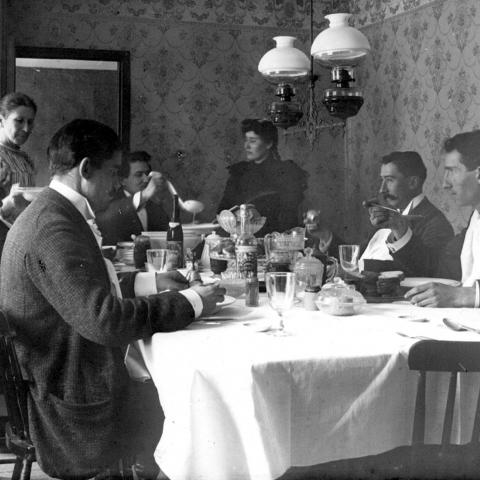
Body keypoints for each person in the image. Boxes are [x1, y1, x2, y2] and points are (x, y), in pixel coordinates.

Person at [0, 119, 224, 479]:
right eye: (114, 172)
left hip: (65, 374)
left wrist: (148, 281)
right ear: (86, 168)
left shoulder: (53, 211)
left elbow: (79, 284)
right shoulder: (52, 227)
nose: (119, 183)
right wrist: (191, 301)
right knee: (197, 401)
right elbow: (106, 321)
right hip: (71, 402)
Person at [405, 130, 480, 307]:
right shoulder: (475, 220)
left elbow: (461, 293)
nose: (445, 184)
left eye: (452, 171)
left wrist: (461, 296)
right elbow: (438, 266)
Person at [359, 151, 454, 276]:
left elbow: (430, 270)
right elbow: (357, 257)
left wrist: (362, 266)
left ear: (413, 183)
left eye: (389, 180)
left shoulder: (435, 222)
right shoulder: (387, 215)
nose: (382, 190)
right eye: (382, 180)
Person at [217, 118, 307, 235]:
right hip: (238, 239)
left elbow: (288, 216)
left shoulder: (286, 172)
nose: (246, 146)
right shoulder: (239, 173)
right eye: (246, 140)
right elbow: (222, 210)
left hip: (273, 238)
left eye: (253, 141)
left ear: (269, 143)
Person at [96, 150, 169, 245]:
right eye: (139, 175)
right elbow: (107, 219)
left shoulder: (154, 206)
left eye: (147, 173)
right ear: (122, 180)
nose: (146, 179)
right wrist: (145, 194)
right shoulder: (109, 203)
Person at [0, 92, 37, 199]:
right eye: (19, 121)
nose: (26, 128)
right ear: (2, 121)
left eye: (30, 122)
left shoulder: (25, 159)